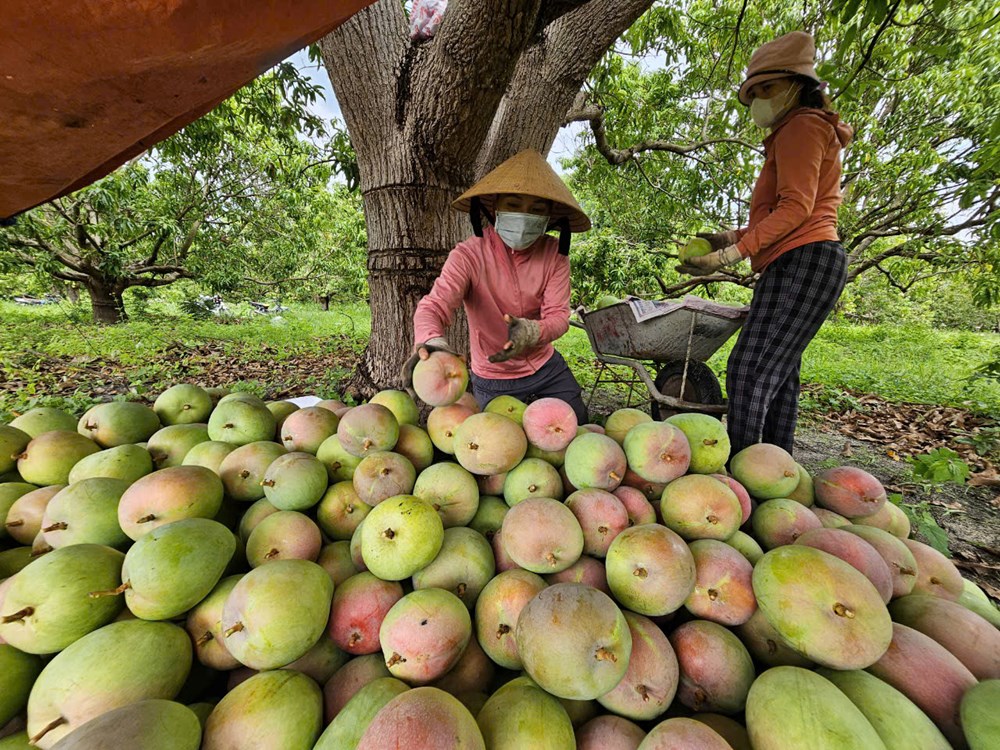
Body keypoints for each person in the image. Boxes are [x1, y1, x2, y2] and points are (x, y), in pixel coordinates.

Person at [679, 31, 853, 456]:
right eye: (753, 92)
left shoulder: (801, 126)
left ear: (799, 85)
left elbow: (796, 209)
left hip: (804, 260)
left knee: (749, 369)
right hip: (802, 258)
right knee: (779, 373)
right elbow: (783, 214)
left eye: (768, 88)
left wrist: (728, 255)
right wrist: (728, 236)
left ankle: (744, 471)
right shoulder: (802, 130)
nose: (759, 100)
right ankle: (776, 469)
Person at [402, 149, 591, 423]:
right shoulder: (469, 255)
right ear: (495, 208)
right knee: (500, 448)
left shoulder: (554, 254)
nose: (525, 216)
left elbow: (559, 317)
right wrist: (431, 339)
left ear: (549, 217)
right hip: (493, 375)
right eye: (514, 205)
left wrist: (533, 330)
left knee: (577, 423)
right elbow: (435, 305)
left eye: (537, 209)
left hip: (545, 367)